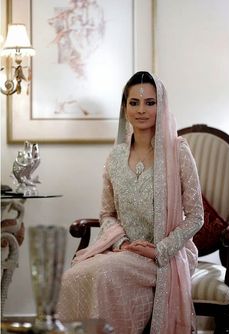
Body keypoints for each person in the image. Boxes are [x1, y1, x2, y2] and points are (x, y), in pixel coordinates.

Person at [57, 71, 204, 334]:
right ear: (124, 108)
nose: (141, 110)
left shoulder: (178, 151)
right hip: (122, 251)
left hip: (164, 255)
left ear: (161, 106)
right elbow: (107, 213)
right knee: (72, 277)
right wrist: (122, 243)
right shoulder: (115, 157)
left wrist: (159, 249)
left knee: (104, 275)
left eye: (150, 102)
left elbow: (196, 216)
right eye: (133, 102)